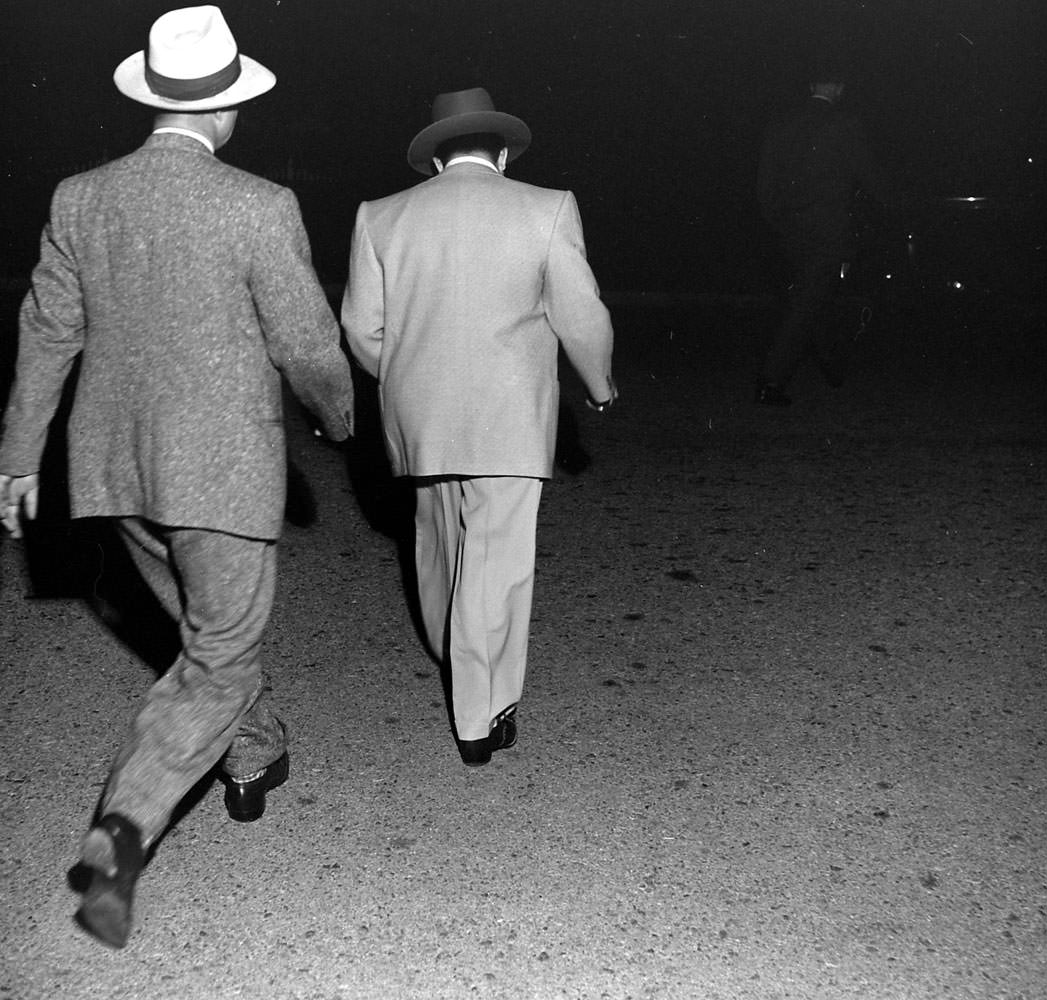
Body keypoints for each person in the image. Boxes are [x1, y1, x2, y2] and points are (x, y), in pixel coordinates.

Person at [0, 6, 354, 948]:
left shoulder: (81, 196)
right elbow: (307, 339)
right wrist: (339, 412)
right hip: (225, 472)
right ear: (229, 111)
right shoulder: (258, 205)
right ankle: (125, 828)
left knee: (209, 643)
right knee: (220, 651)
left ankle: (253, 759)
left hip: (117, 470)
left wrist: (18, 455)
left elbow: (48, 330)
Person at [341, 87, 616, 767]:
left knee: (436, 548)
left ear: (435, 160)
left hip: (420, 415)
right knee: (497, 564)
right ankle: (478, 710)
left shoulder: (380, 216)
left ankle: (454, 655)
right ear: (499, 151)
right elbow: (579, 315)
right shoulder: (546, 208)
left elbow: (359, 327)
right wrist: (600, 386)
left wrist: (408, 377)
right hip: (509, 417)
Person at [755, 62, 890, 405]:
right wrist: (893, 203)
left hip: (789, 228)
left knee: (811, 295)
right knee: (808, 301)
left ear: (812, 84)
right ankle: (772, 381)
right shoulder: (845, 124)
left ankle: (832, 362)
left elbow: (765, 183)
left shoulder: (781, 124)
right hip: (829, 228)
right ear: (840, 89)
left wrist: (777, 222)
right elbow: (869, 177)